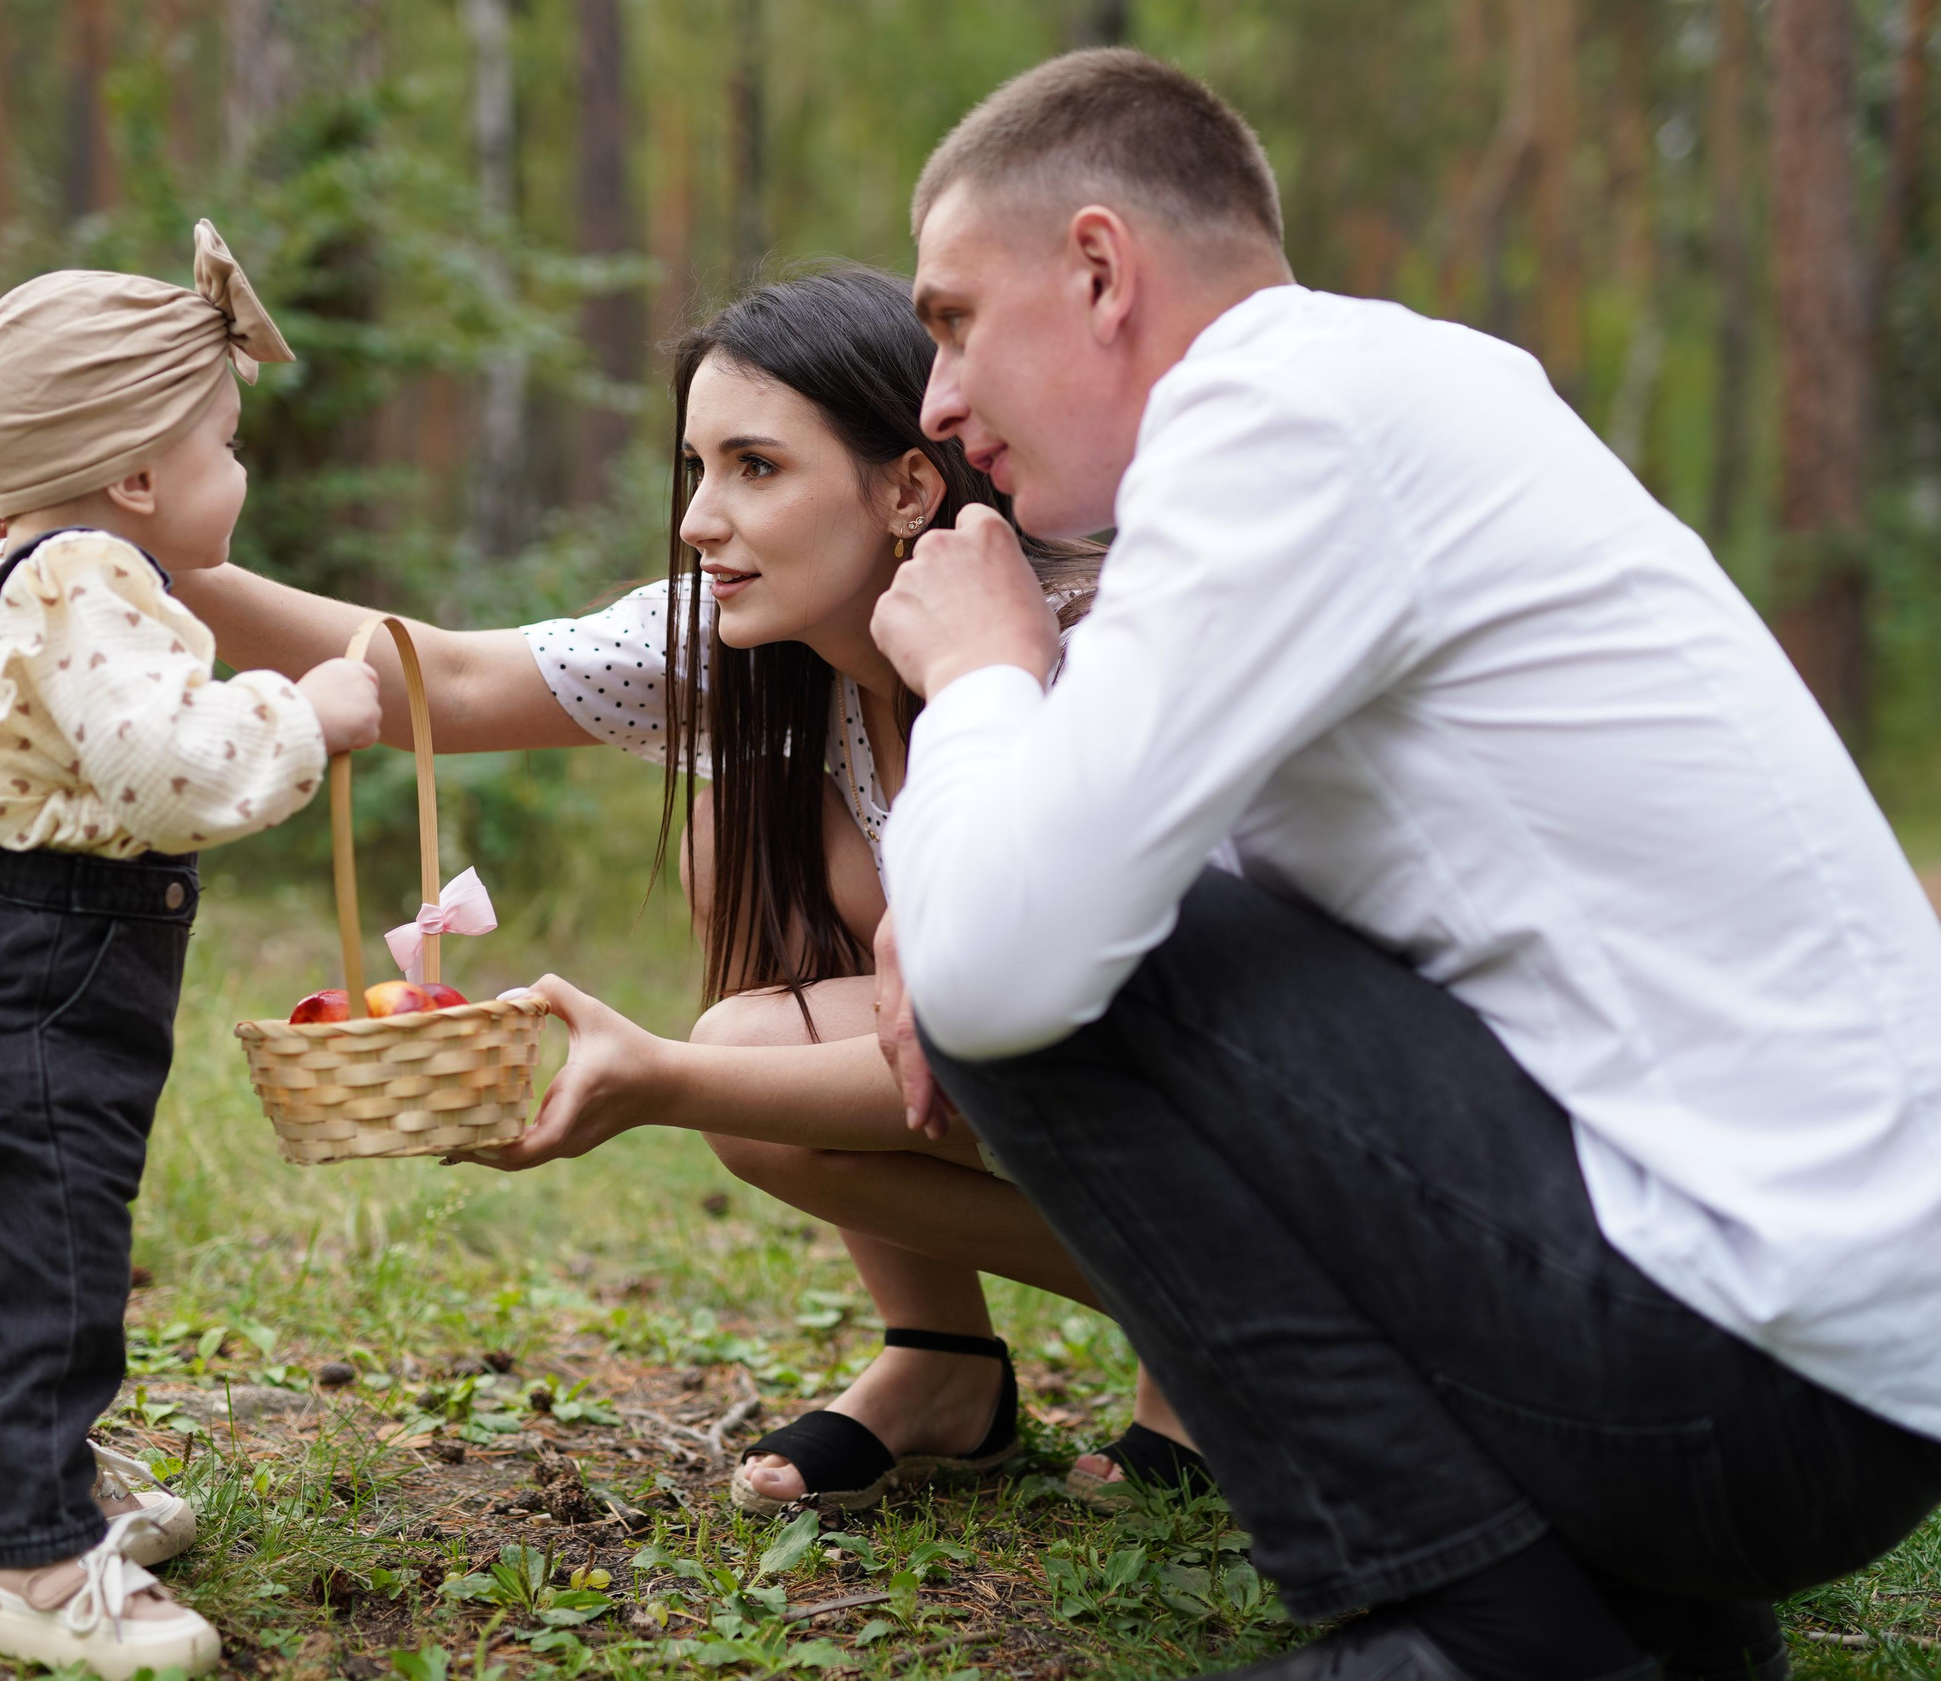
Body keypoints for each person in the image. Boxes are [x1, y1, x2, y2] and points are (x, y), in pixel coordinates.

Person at [865, 49, 1941, 1681]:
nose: (934, 400)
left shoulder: (1275, 412)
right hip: (1809, 1369)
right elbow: (1110, 871)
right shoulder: (1366, 403)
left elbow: (1012, 961)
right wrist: (978, 844)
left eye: (949, 319)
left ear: (1098, 269)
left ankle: (1457, 1626)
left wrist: (981, 688)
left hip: (1757, 1371)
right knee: (1058, 912)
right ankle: (1638, 1638)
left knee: (1056, 966)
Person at [173, 266, 1210, 1512]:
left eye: (756, 469)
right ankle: (943, 1361)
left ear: (907, 488)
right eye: (698, 470)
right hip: (1039, 1090)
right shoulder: (753, 642)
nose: (698, 521)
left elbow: (1062, 1019)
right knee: (740, 828)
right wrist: (144, 564)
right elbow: (436, 684)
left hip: (1218, 1130)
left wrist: (664, 1080)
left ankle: (1215, 1342)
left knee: (737, 1070)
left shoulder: (1072, 656)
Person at [0, 222, 383, 1678]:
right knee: (42, 1271)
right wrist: (308, 713)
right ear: (141, 475)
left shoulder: (50, 570)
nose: (244, 468)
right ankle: (30, 1566)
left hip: (12, 978)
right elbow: (165, 774)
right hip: (20, 988)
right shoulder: (90, 574)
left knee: (59, 1259)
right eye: (227, 439)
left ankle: (27, 1500)